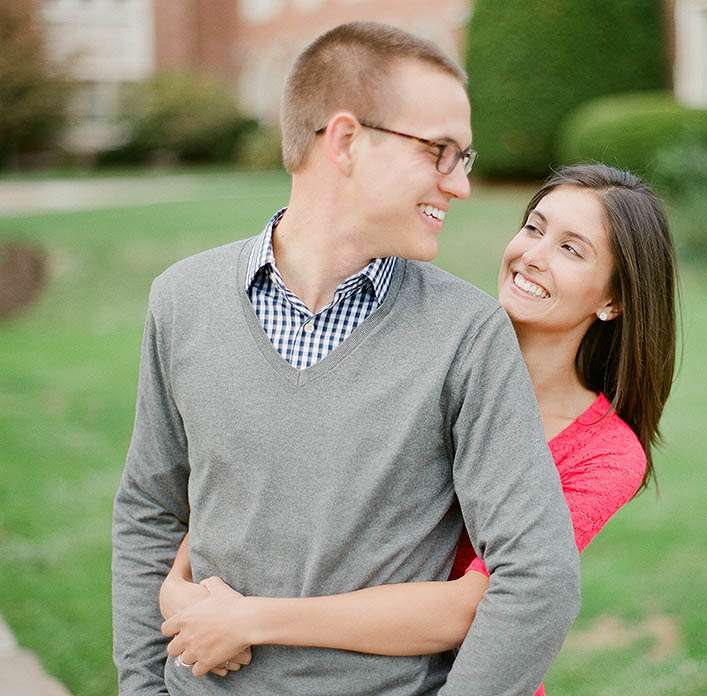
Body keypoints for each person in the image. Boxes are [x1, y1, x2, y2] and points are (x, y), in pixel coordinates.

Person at [111, 21, 581, 696]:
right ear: (347, 141)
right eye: (440, 152)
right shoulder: (182, 301)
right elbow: (149, 514)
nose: (460, 186)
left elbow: (539, 576)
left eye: (465, 159)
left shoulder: (467, 334)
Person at [157, 164, 679, 694]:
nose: (533, 256)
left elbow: (478, 605)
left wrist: (250, 619)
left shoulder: (605, 453)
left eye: (572, 249)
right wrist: (180, 587)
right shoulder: (431, 347)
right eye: (534, 228)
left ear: (613, 299)